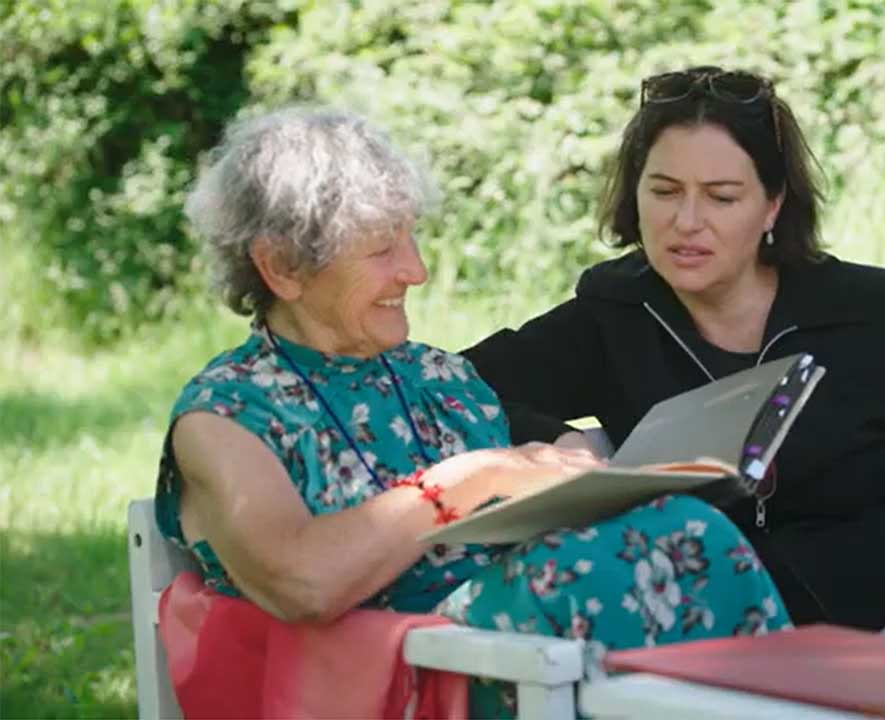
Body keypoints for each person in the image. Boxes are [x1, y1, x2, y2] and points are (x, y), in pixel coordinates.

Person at [157, 107, 790, 717]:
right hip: (400, 676)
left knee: (685, 526)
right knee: (614, 569)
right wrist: (472, 479)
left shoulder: (439, 377)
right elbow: (302, 584)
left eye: (411, 238)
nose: (417, 270)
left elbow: (526, 500)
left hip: (524, 656)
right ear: (282, 267)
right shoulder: (226, 415)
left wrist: (589, 469)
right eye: (382, 249)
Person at [464, 67, 885, 631]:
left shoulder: (877, 312)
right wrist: (558, 443)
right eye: (663, 191)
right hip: (725, 636)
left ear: (773, 204)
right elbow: (454, 389)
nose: (686, 221)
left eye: (721, 196)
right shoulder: (614, 314)